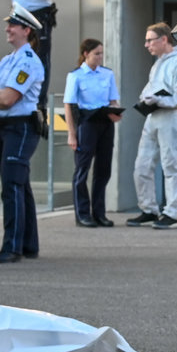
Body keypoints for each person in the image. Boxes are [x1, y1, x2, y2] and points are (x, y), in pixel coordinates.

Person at [0, 5, 48, 264]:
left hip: (21, 126)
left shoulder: (28, 62)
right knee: (20, 185)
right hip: (6, 126)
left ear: (26, 30)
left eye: (13, 25)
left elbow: (7, 98)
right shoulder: (7, 60)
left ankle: (12, 247)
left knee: (12, 185)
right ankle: (29, 244)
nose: (8, 29)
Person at [125, 23, 177, 230]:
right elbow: (150, 88)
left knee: (172, 165)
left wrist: (159, 100)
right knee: (142, 166)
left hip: (171, 117)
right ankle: (149, 209)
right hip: (153, 117)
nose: (146, 45)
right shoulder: (158, 64)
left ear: (164, 39)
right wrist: (146, 97)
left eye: (150, 40)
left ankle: (172, 213)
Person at [63, 38, 120, 228]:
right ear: (86, 54)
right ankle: (82, 213)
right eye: (96, 53)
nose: (100, 57)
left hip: (105, 121)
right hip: (86, 122)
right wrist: (72, 133)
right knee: (82, 169)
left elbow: (113, 100)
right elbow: (69, 106)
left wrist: (116, 111)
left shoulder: (107, 74)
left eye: (102, 53)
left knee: (103, 170)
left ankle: (99, 213)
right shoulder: (76, 76)